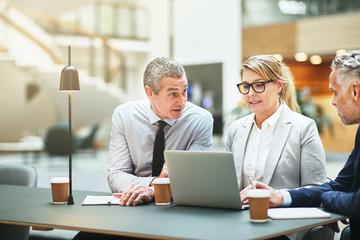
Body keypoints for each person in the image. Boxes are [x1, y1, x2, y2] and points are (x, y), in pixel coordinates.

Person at [241, 50, 360, 240]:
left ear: (355, 91)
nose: (333, 101)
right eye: (246, 86)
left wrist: (324, 199)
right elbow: (341, 185)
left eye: (334, 92)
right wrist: (281, 196)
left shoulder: (303, 126)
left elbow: (354, 201)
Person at [226, 55, 327, 240]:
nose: (250, 93)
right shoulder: (235, 129)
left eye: (259, 85)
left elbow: (316, 188)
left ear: (279, 85)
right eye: (246, 86)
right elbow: (225, 184)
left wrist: (278, 196)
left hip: (282, 228)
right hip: (238, 224)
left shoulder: (303, 128)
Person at [108, 56, 214, 206]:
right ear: (150, 93)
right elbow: (116, 176)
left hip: (177, 206)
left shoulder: (200, 120)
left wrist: (151, 190)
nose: (182, 101)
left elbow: (192, 179)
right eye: (173, 94)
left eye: (184, 91)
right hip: (134, 204)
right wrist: (156, 183)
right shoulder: (125, 116)